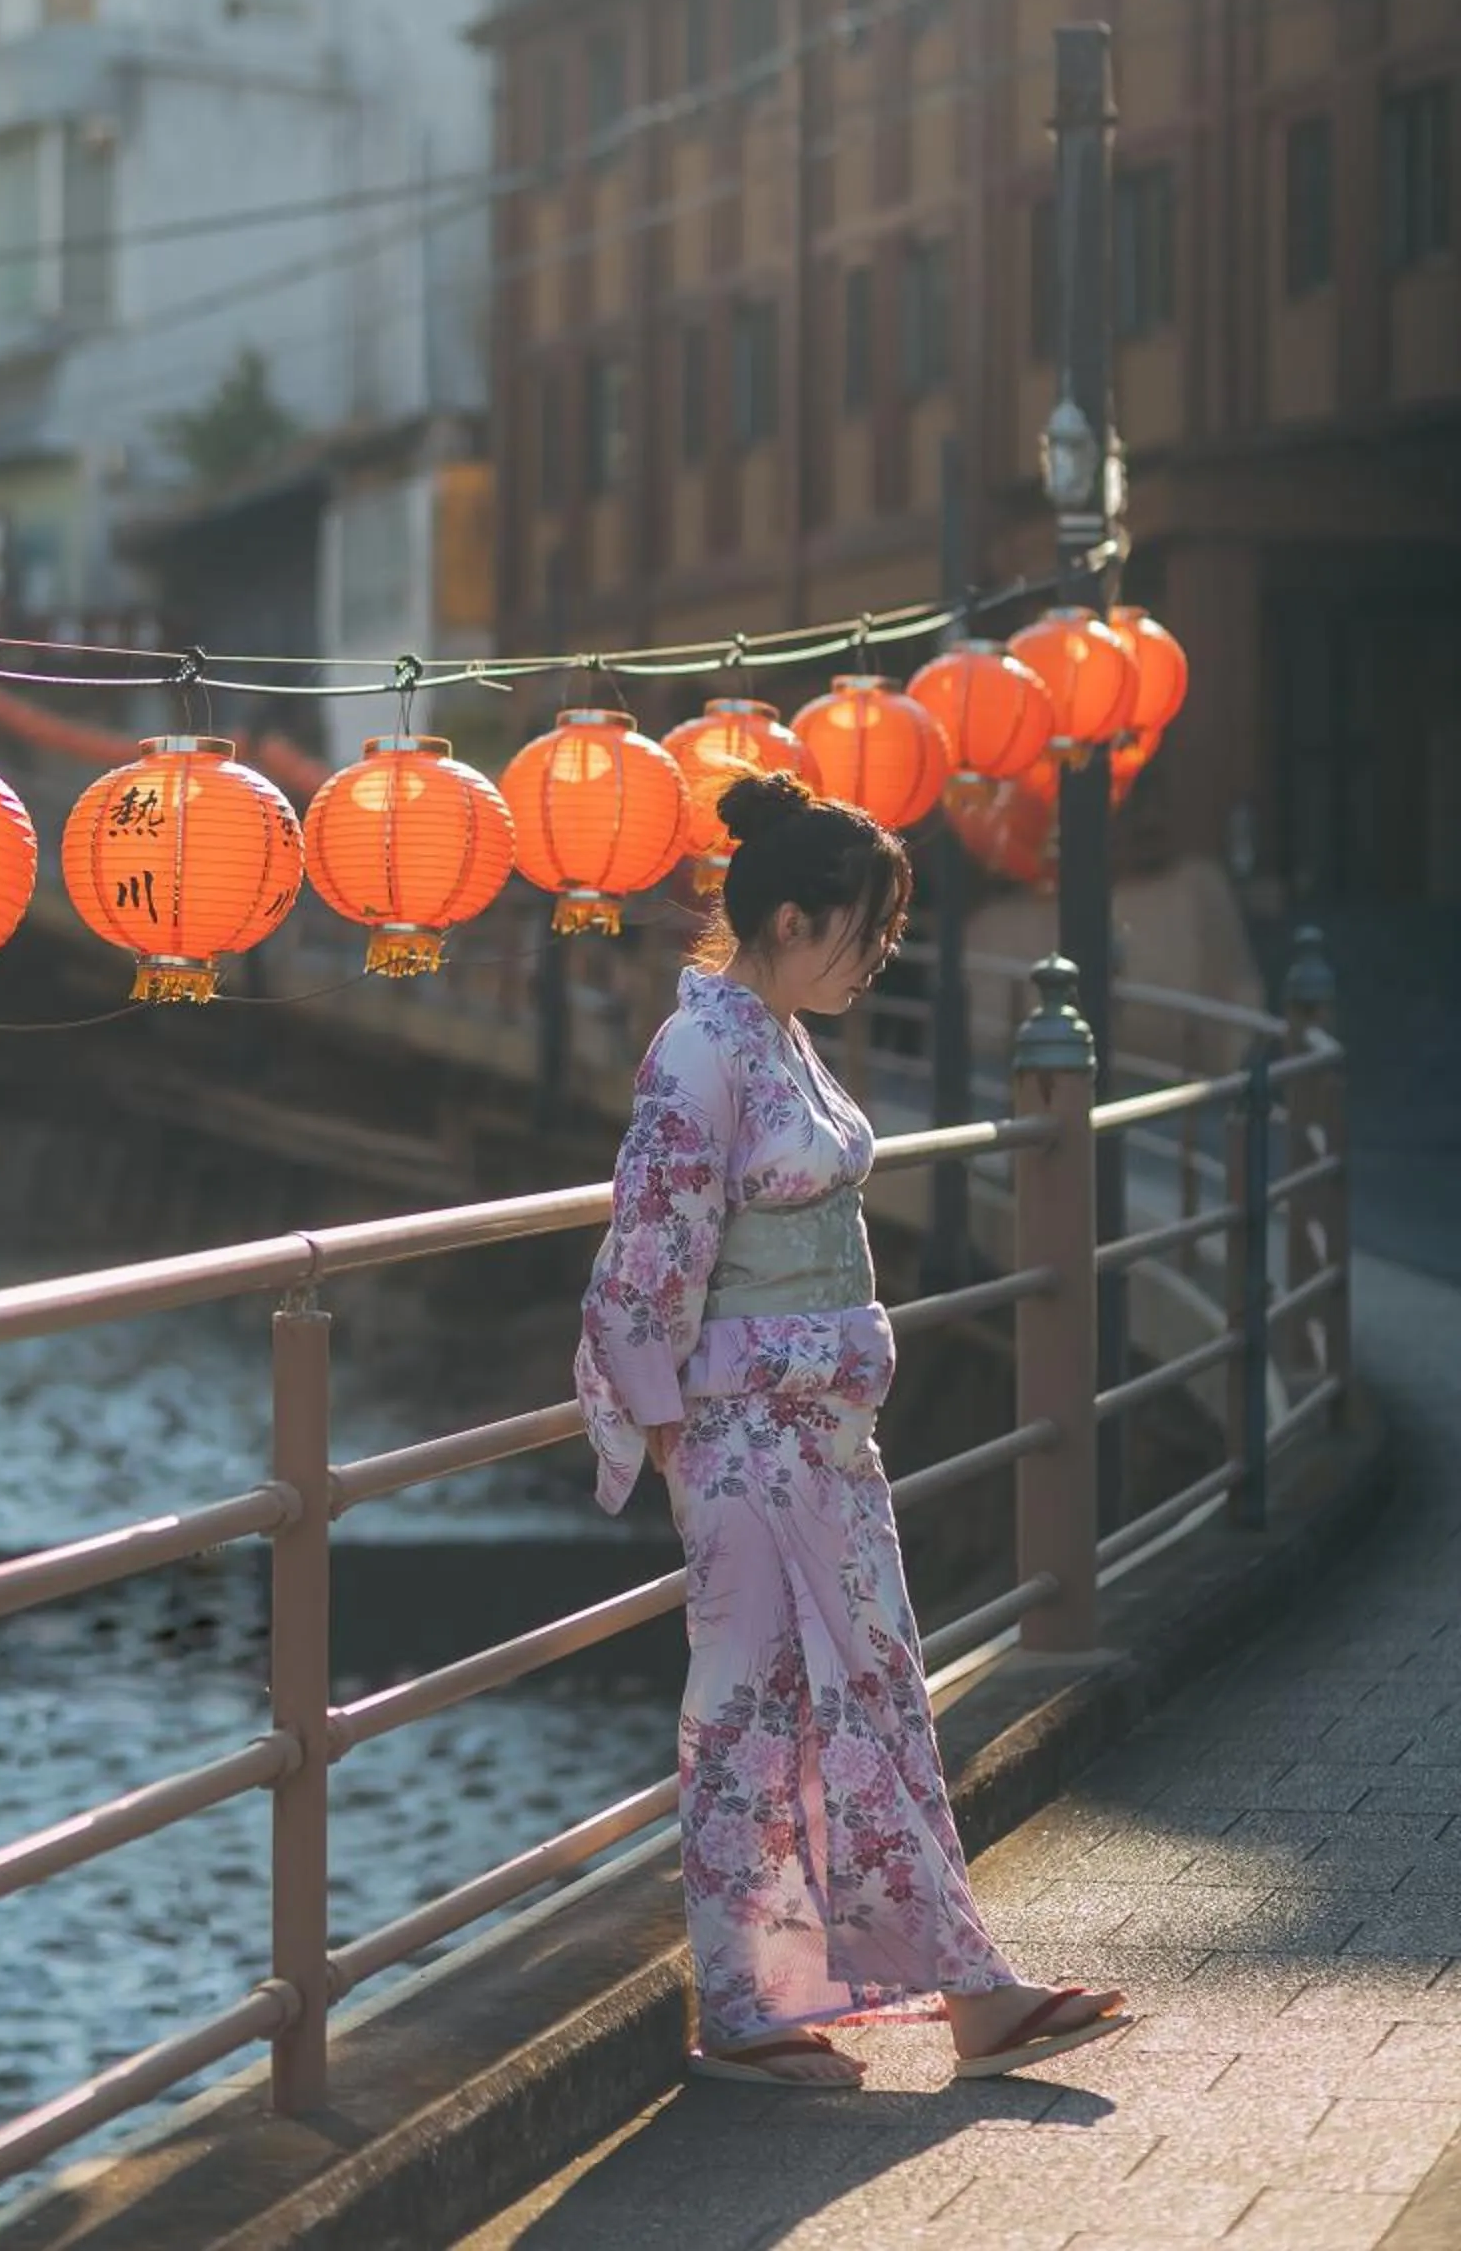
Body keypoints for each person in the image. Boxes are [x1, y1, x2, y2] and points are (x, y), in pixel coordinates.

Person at [574, 770, 1132, 2089]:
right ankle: (775, 2007)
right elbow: (650, 1253)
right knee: (756, 1713)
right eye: (865, 933)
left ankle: (944, 1992)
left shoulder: (769, 1034)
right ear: (787, 921)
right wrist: (668, 1424)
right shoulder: (702, 1049)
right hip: (748, 1437)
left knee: (865, 1695)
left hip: (819, 1435)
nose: (877, 959)